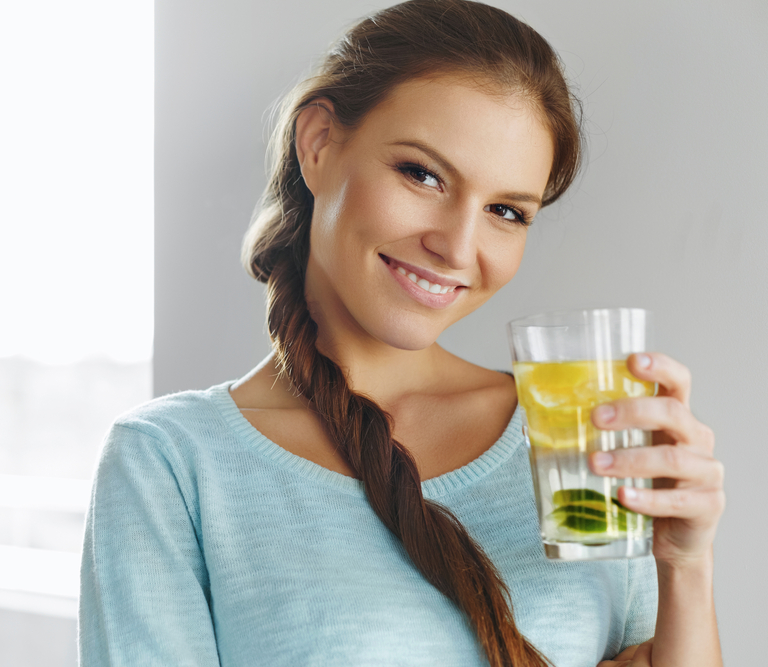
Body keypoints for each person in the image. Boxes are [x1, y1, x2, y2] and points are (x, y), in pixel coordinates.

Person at [79, 1, 725, 665]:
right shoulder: (170, 463)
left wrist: (687, 564)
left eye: (506, 211)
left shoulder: (572, 440)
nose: (456, 246)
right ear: (319, 144)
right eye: (421, 174)